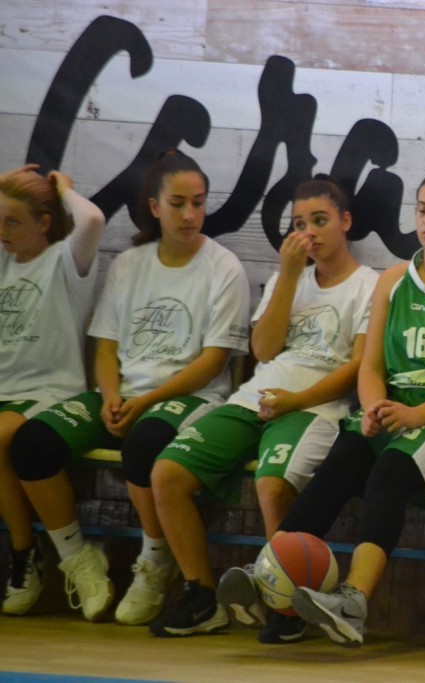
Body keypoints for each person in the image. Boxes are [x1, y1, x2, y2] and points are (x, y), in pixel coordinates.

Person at [218, 170, 425, 647]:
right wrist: (374, 406)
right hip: (398, 406)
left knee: (390, 471)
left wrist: (417, 415)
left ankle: (353, 601)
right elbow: (371, 365)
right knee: (343, 459)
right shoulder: (394, 279)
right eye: (422, 209)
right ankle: (270, 571)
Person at [9, 150, 250, 623]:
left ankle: (155, 561)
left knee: (144, 444)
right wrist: (112, 395)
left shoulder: (225, 268)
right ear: (155, 207)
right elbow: (104, 347)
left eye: (198, 203)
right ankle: (77, 557)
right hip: (123, 395)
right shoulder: (129, 263)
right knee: (32, 444)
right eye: (178, 203)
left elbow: (212, 363)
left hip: (187, 398)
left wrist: (146, 402)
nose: (190, 214)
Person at [147, 176, 377, 639]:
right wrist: (289, 276)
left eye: (320, 220)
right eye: (299, 224)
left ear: (346, 222)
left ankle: (286, 608)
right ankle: (201, 596)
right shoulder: (286, 278)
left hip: (315, 408)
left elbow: (360, 366)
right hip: (256, 398)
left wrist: (298, 400)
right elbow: (264, 350)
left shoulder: (369, 285)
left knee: (272, 485)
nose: (308, 233)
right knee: (167, 474)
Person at [0, 166, 106, 615]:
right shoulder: (4, 262)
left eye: (13, 221)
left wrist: (62, 190)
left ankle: (31, 553)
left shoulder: (66, 261)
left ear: (45, 222)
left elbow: (93, 220)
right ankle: (26, 553)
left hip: (48, 391)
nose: (4, 231)